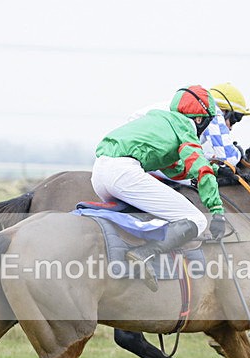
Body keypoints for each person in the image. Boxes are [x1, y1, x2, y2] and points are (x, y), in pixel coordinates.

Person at [91, 85, 226, 292]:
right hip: (123, 173)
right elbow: (199, 168)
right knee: (197, 220)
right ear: (199, 119)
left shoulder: (160, 120)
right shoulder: (185, 126)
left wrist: (215, 169)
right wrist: (217, 211)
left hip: (99, 173)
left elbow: (174, 169)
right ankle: (144, 254)